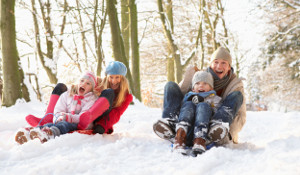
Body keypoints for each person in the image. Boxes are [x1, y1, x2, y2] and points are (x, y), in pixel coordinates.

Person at [17, 61, 133, 144]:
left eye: (117, 77)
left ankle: (84, 118)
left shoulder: (126, 95)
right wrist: (74, 89)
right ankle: (47, 120)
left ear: (122, 78)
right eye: (111, 77)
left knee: (109, 92)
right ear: (107, 76)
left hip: (99, 118)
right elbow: (85, 82)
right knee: (61, 87)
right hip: (77, 113)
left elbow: (116, 114)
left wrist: (102, 125)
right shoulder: (99, 82)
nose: (113, 80)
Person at [153, 46, 246, 146]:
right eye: (216, 62)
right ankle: (171, 124)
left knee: (237, 95)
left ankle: (217, 126)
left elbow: (241, 116)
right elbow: (175, 98)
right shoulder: (199, 77)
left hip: (211, 122)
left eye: (224, 63)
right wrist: (190, 76)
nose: (219, 66)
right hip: (190, 121)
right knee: (170, 86)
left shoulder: (235, 85)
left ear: (229, 67)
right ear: (210, 64)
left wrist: (228, 135)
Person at [15, 71, 104, 144]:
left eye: (88, 83)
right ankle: (33, 132)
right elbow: (58, 109)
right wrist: (58, 117)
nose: (83, 84)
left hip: (78, 124)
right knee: (51, 124)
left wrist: (68, 117)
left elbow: (84, 117)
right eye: (82, 81)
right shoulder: (67, 95)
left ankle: (49, 133)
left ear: (92, 88)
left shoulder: (91, 100)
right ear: (78, 83)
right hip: (62, 119)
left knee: (64, 125)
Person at [173, 71, 222, 155]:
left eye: (205, 83)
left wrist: (205, 103)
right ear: (193, 88)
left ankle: (199, 140)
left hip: (203, 131)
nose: (201, 85)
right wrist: (189, 101)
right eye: (197, 83)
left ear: (211, 88)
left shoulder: (215, 99)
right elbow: (181, 111)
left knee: (203, 106)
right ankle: (180, 138)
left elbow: (217, 113)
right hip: (188, 131)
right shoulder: (188, 97)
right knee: (188, 105)